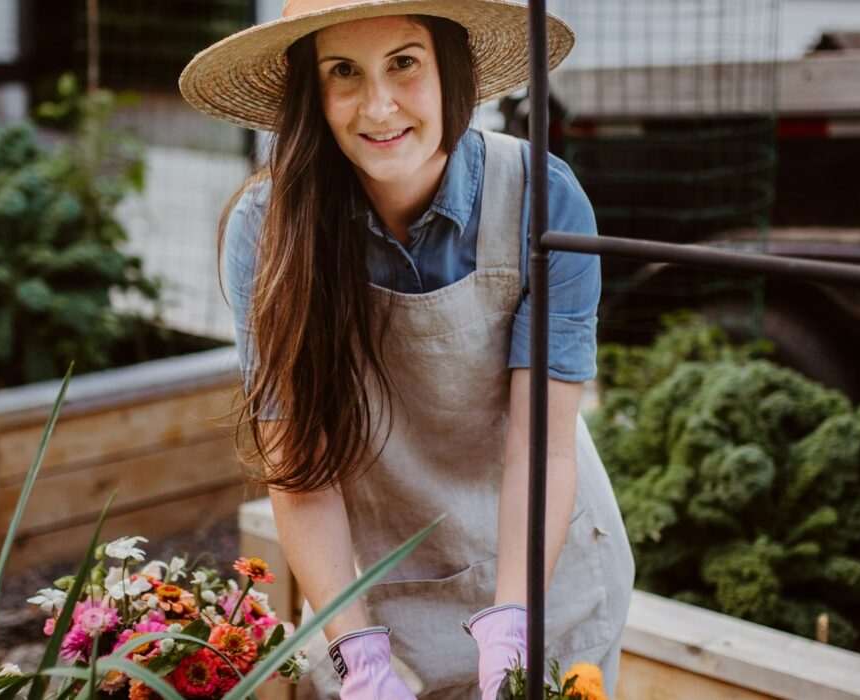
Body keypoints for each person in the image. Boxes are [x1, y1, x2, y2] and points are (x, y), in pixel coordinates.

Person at [180, 1, 634, 698]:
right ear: (313, 91)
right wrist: (357, 656)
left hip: (546, 577)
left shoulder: (544, 200)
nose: (379, 105)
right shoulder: (269, 229)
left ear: (452, 68)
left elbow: (539, 446)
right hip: (375, 590)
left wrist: (514, 626)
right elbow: (299, 468)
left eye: (404, 62)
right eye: (344, 72)